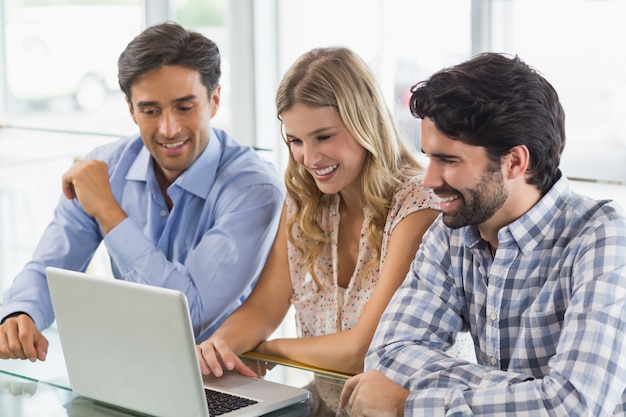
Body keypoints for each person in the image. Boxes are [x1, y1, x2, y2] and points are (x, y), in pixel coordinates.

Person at [339, 52, 626, 417]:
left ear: (515, 162)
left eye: (449, 160)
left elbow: (573, 406)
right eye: (428, 157)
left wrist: (410, 404)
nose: (429, 180)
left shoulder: (602, 238)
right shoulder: (452, 232)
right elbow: (389, 354)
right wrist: (533, 396)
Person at [0, 22, 284, 363]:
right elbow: (48, 267)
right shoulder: (103, 166)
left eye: (185, 107)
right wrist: (21, 314)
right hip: (129, 362)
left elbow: (189, 315)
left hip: (224, 375)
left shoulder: (253, 189)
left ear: (215, 100)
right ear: (130, 109)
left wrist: (109, 212)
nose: (169, 129)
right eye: (150, 110)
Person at [197, 47, 442, 377]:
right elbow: (263, 307)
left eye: (323, 137)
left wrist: (268, 349)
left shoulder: (418, 204)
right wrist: (219, 346)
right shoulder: (305, 203)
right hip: (327, 405)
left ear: (364, 123)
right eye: (296, 140)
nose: (309, 159)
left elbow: (362, 351)